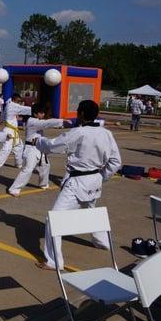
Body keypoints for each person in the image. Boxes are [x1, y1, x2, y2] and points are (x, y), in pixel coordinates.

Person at [34, 100, 121, 271]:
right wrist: (102, 176)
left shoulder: (79, 132)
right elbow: (116, 161)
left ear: (80, 114)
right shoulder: (106, 133)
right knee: (91, 211)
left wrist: (38, 141)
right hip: (95, 180)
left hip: (77, 182)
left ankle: (54, 261)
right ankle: (102, 242)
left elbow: (53, 145)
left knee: (53, 219)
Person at [8, 104, 66, 197]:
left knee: (45, 166)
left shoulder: (37, 121)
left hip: (39, 147)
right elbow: (46, 123)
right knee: (28, 169)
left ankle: (43, 184)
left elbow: (45, 123)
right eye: (41, 113)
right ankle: (14, 189)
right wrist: (61, 121)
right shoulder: (32, 121)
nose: (43, 114)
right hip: (31, 149)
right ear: (35, 113)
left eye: (43, 113)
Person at [0, 93, 31, 172]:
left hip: (12, 130)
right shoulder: (12, 106)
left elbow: (3, 117)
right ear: (14, 99)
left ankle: (18, 163)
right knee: (6, 149)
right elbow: (25, 109)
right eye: (18, 101)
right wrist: (36, 110)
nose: (19, 102)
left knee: (19, 147)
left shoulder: (8, 105)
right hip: (9, 131)